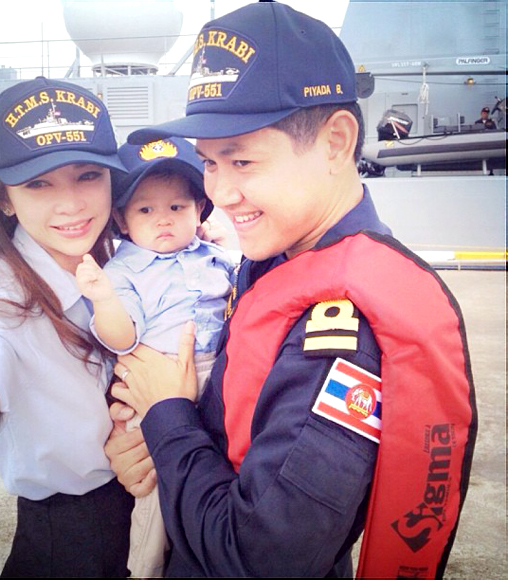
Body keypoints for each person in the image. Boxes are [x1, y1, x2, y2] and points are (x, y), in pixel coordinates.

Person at [104, 3, 477, 578]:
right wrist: (150, 444)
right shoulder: (276, 255)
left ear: (335, 143)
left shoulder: (341, 327)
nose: (218, 193)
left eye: (242, 160)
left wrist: (167, 417)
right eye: (209, 164)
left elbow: (262, 557)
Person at [0, 77, 136, 578]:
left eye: (88, 175)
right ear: (4, 198)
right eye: (38, 183)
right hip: (68, 540)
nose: (72, 204)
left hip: (143, 516)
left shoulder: (121, 261)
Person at [76, 137, 233, 578]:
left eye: (177, 207)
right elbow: (122, 339)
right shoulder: (121, 272)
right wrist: (103, 299)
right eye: (145, 209)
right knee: (156, 484)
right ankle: (145, 566)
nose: (163, 219)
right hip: (154, 380)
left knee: (212, 469)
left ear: (200, 210)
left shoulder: (215, 256)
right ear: (122, 220)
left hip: (217, 373)